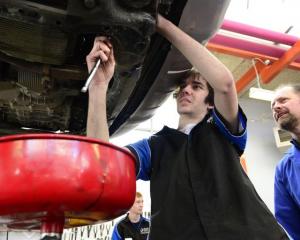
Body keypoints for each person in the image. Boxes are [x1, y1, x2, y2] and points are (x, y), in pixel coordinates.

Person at [86, 15, 288, 239]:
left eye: (196, 86)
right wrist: (99, 86)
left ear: (211, 103)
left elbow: (225, 84)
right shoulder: (154, 147)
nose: (186, 90)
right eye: (182, 86)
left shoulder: (223, 132)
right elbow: (103, 164)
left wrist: (161, 24)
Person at [272, 84, 300, 240]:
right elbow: (288, 218)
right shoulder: (284, 169)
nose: (276, 107)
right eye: (273, 105)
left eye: (283, 100)